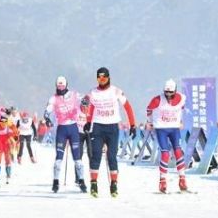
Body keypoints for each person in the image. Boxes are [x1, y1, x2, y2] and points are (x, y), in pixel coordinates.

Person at [84, 67, 136, 198]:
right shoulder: (92, 92)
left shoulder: (116, 91)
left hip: (112, 127)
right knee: (95, 156)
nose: (102, 80)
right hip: (98, 127)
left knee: (112, 156)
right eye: (99, 78)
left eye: (104, 78)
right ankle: (94, 184)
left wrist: (133, 125)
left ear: (109, 78)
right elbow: (89, 108)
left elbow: (128, 107)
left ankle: (114, 184)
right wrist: (88, 122)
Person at [43, 76, 86, 193]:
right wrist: (46, 117)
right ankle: (55, 182)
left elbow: (83, 99)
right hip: (61, 129)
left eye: (62, 86)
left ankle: (81, 181)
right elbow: (48, 109)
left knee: (78, 159)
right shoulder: (54, 98)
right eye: (58, 86)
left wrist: (85, 102)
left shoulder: (73, 94)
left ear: (66, 85)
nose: (60, 88)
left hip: (73, 128)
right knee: (58, 159)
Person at [146, 79, 189, 194]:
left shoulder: (182, 98)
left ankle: (182, 179)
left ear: (175, 91)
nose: (168, 95)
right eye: (166, 92)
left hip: (174, 128)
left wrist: (180, 121)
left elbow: (183, 108)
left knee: (178, 152)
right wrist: (150, 122)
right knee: (165, 154)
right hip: (161, 128)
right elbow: (149, 109)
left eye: (171, 93)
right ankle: (162, 180)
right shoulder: (157, 100)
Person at [0, 113, 19, 184]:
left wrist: (15, 135)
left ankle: (8, 175)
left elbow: (14, 128)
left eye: (4, 121)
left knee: (7, 158)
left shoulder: (8, 121)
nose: (3, 124)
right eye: (2, 120)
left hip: (6, 139)